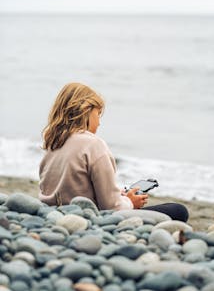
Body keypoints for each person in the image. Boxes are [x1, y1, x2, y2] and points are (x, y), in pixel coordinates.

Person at [39, 82, 188, 222]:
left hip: (54, 216)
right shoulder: (93, 144)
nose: (99, 122)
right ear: (86, 111)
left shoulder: (52, 145)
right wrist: (130, 202)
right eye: (98, 114)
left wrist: (120, 196)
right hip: (92, 220)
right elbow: (111, 207)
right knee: (178, 210)